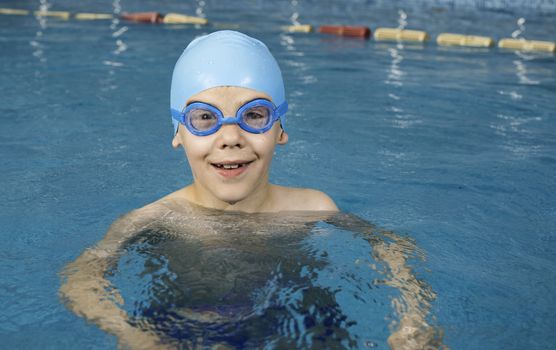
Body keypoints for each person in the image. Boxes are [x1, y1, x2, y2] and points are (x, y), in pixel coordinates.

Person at [59, 31, 445, 349]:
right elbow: (81, 280)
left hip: (299, 326)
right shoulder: (152, 219)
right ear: (178, 132)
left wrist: (412, 318)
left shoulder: (313, 205)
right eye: (204, 118)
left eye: (253, 115)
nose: (230, 138)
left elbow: (391, 246)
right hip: (182, 331)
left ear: (280, 128)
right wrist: (132, 334)